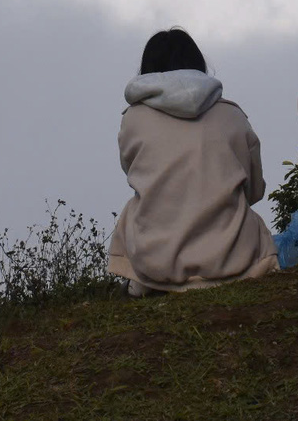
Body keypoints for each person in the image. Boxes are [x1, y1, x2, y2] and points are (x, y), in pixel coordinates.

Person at [108, 28, 280, 295]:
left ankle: (140, 286)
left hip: (158, 264)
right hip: (231, 259)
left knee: (133, 209)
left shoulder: (133, 119)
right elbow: (254, 190)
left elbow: (134, 175)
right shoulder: (233, 116)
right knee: (251, 219)